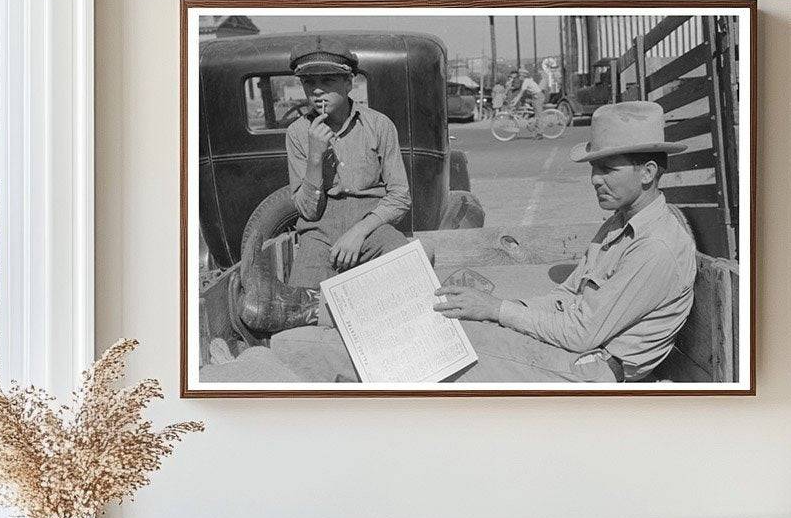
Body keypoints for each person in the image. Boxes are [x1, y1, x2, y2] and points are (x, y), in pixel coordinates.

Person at [434, 101, 697, 382]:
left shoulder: (656, 246)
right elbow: (566, 296)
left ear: (647, 172)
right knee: (456, 329)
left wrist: (497, 309)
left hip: (591, 369)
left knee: (452, 358)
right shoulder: (617, 224)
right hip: (574, 352)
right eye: (593, 168)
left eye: (608, 169)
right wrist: (499, 307)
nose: (595, 180)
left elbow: (581, 334)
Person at [237, 37, 411, 335]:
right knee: (298, 316)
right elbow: (306, 210)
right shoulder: (297, 132)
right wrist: (315, 157)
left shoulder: (379, 125)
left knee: (408, 276)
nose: (317, 91)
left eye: (328, 80)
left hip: (371, 227)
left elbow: (400, 196)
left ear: (349, 83)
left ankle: (359, 320)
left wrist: (358, 232)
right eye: (309, 82)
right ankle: (347, 318)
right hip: (319, 232)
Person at [508, 66, 547, 136]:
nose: (519, 77)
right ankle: (533, 127)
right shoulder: (527, 81)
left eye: (519, 75)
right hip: (536, 96)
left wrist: (515, 101)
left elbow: (521, 93)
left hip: (538, 96)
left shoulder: (526, 82)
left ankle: (540, 133)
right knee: (535, 113)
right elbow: (521, 94)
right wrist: (515, 99)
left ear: (523, 76)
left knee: (538, 114)